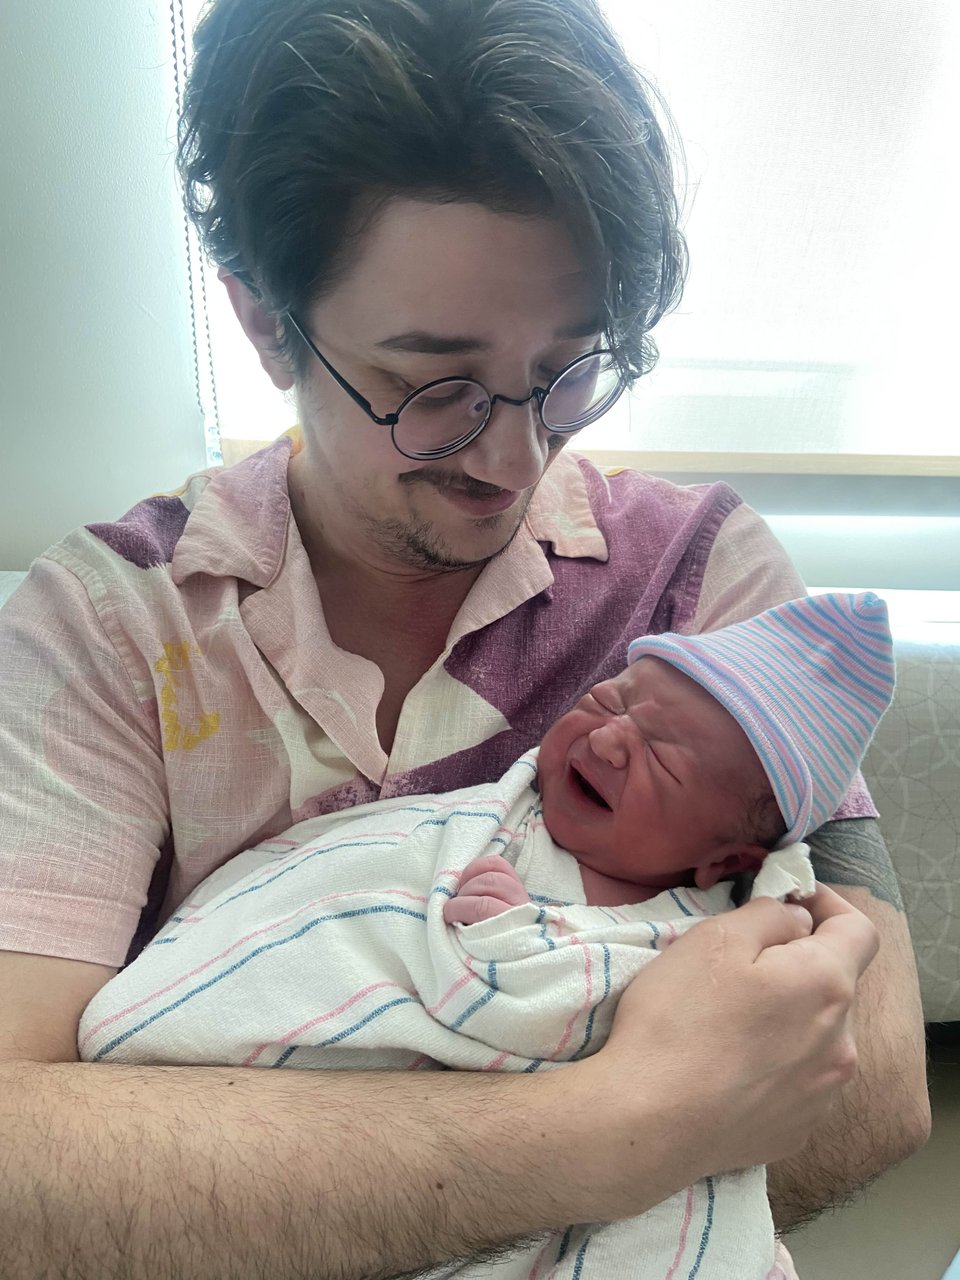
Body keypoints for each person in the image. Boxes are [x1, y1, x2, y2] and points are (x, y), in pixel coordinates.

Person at [0, 2, 928, 1277]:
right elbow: (20, 1168)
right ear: (266, 321)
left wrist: (258, 1178)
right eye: (432, 384)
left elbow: (875, 1078)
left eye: (569, 367)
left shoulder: (708, 586)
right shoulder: (112, 626)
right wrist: (610, 1123)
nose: (513, 456)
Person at [76, 591, 896, 1279]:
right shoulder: (497, 825)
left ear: (728, 859)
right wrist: (498, 927)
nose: (610, 739)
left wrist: (528, 943)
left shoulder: (724, 928)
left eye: (665, 762)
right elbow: (370, 881)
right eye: (610, 701)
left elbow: (694, 1028)